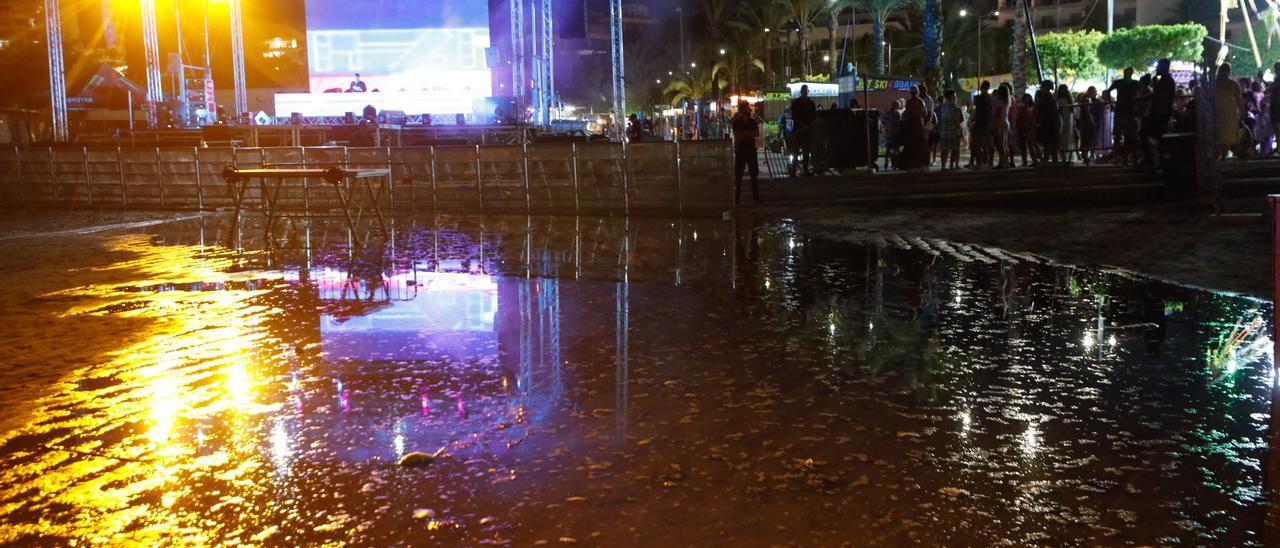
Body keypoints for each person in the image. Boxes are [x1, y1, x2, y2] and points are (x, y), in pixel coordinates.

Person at [1144, 59, 1176, 167]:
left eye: (1158, 67)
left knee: (1153, 136)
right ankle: (1157, 161)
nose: (1157, 69)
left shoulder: (1165, 81)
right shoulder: (1165, 80)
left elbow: (1158, 96)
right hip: (1160, 113)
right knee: (1157, 137)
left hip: (1160, 114)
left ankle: (1156, 161)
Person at [1105, 67, 1140, 164]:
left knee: (1128, 135)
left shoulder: (1130, 83)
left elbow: (1107, 91)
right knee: (1121, 135)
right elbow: (1107, 91)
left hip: (1127, 111)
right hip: (1123, 110)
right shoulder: (1123, 83)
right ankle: (1123, 157)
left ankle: (1126, 157)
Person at [731, 100, 763, 204]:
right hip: (741, 150)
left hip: (750, 150)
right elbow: (738, 135)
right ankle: (737, 198)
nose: (749, 109)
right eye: (748, 107)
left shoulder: (751, 121)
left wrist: (744, 133)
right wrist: (749, 134)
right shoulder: (737, 121)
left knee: (753, 174)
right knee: (738, 175)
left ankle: (756, 197)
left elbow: (756, 133)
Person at [1215, 63, 1245, 160]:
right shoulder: (1234, 84)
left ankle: (1219, 155)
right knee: (1229, 133)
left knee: (1219, 133)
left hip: (1218, 110)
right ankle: (1224, 155)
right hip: (1230, 111)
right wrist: (1242, 110)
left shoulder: (1214, 83)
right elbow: (1239, 99)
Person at [900, 86, 930, 172]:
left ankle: (912, 165)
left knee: (912, 145)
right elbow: (925, 114)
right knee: (920, 145)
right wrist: (923, 123)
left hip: (912, 125)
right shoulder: (921, 101)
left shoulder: (909, 102)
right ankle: (921, 164)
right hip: (919, 125)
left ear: (911, 93)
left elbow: (906, 114)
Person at [790, 84, 818, 175]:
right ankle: (795, 169)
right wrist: (804, 124)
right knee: (796, 151)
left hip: (806, 130)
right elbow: (794, 116)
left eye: (806, 91)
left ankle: (804, 169)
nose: (805, 92)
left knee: (805, 151)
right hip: (799, 130)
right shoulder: (798, 103)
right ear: (801, 92)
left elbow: (814, 116)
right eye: (804, 91)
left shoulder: (810, 103)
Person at [938, 89, 964, 170]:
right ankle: (952, 165)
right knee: (955, 148)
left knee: (944, 149)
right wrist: (961, 131)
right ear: (951, 96)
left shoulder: (942, 106)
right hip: (953, 131)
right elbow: (957, 121)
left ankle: (943, 166)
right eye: (955, 95)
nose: (956, 97)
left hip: (943, 131)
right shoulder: (954, 107)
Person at [1035, 80, 1060, 163]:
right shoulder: (1050, 97)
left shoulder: (1046, 98)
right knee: (1051, 143)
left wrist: (1040, 122)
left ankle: (1047, 161)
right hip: (1052, 122)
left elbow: (1045, 112)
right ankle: (1052, 160)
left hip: (1048, 123)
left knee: (1048, 143)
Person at [971, 81, 994, 167]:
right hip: (988, 122)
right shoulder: (990, 98)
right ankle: (987, 161)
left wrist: (975, 120)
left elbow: (978, 111)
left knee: (978, 143)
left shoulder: (981, 98)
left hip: (981, 122)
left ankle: (981, 162)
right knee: (987, 143)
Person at [993, 83, 1012, 168]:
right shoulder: (1007, 102)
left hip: (1000, 122)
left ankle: (1001, 163)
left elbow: (998, 114)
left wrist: (995, 124)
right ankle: (1006, 162)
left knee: (1000, 145)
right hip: (1006, 122)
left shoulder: (999, 102)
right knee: (1005, 144)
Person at [1077, 89, 1098, 165]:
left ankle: (1085, 156)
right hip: (1087, 122)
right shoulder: (1087, 100)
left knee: (1085, 140)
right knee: (1088, 139)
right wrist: (1092, 122)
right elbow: (1087, 112)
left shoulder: (1083, 99)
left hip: (1083, 122)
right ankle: (1086, 157)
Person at [1015, 93, 1036, 167]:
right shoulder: (1023, 109)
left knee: (1030, 146)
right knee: (1023, 146)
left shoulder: (1030, 109)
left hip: (1027, 129)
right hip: (1022, 129)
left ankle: (1034, 161)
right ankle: (1026, 161)